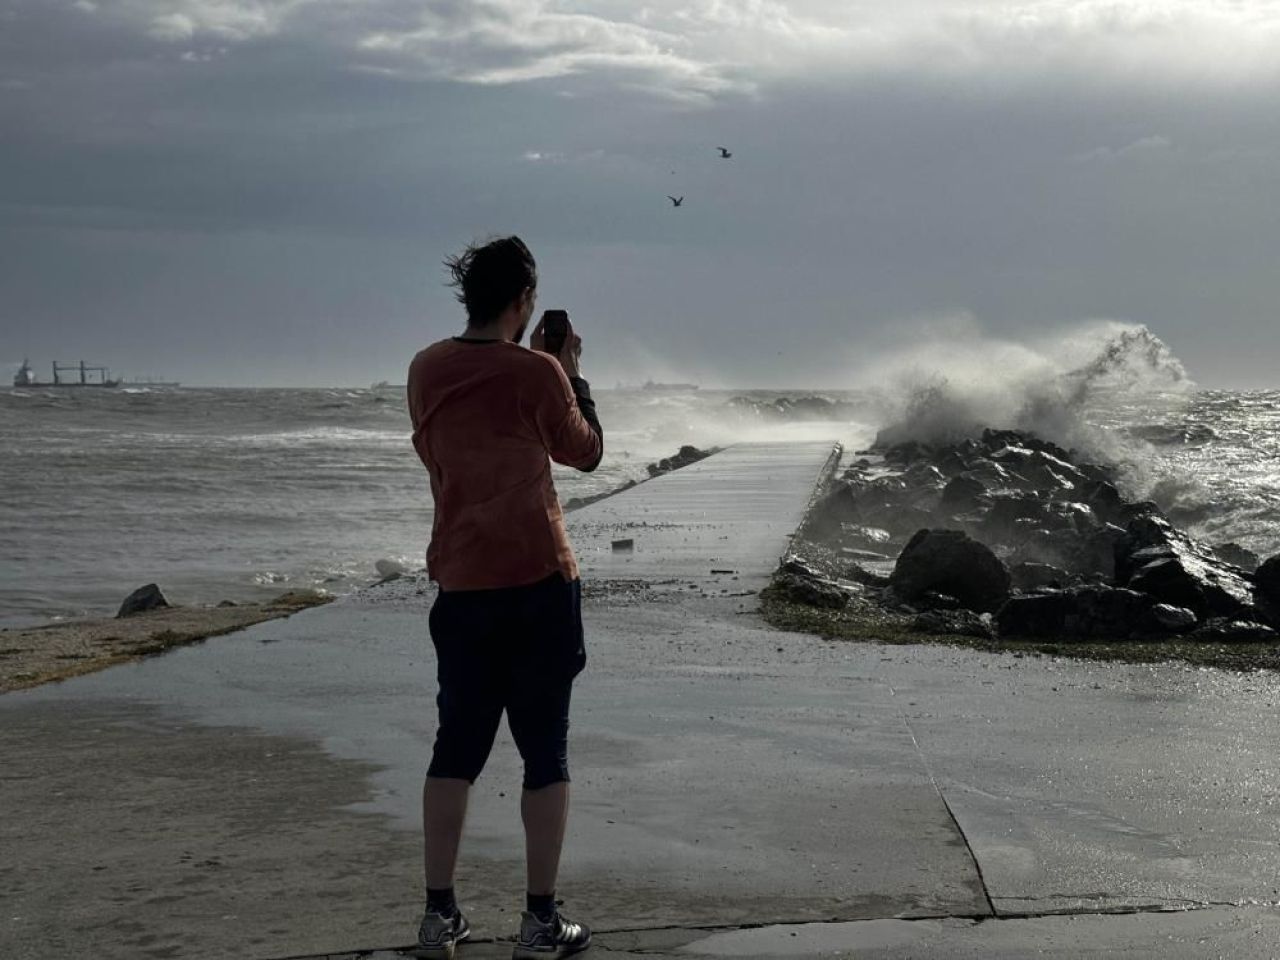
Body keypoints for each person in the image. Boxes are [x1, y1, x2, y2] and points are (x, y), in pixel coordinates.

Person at [406, 235, 603, 959]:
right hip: (539, 582)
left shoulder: (426, 369)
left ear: (469, 296)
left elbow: (437, 453)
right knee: (543, 751)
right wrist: (570, 370)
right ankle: (540, 922)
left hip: (461, 582)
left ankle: (438, 916)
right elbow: (585, 452)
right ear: (524, 301)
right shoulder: (538, 373)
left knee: (454, 747)